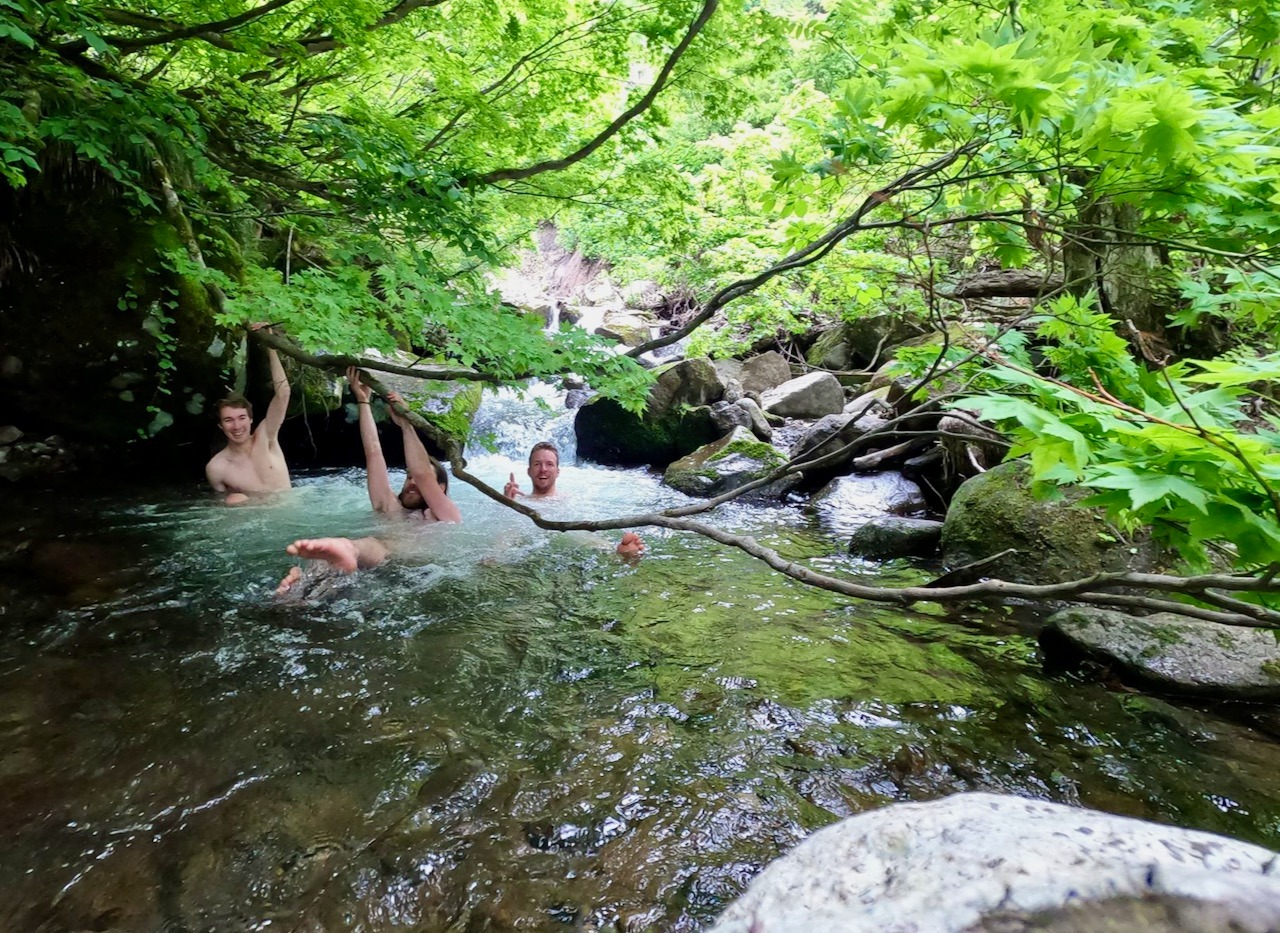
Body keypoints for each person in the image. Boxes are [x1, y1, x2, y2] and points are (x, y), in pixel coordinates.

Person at [276, 368, 461, 594]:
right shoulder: (389, 506)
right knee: (323, 566)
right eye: (408, 477)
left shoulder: (445, 516)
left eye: (420, 481)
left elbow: (421, 472)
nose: (413, 481)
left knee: (365, 546)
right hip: (365, 568)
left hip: (399, 569)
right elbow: (373, 452)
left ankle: (341, 552)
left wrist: (406, 424)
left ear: (440, 488)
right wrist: (363, 401)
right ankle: (293, 590)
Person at [503, 441, 645, 560]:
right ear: (529, 471)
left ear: (558, 471)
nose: (543, 469)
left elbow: (588, 528)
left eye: (549, 464)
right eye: (537, 464)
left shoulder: (570, 501)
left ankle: (617, 552)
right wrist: (506, 503)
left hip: (565, 548)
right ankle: (496, 556)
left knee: (581, 531)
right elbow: (507, 530)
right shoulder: (518, 503)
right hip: (531, 549)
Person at [206, 323, 292, 505]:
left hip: (292, 514)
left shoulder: (266, 437)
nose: (237, 426)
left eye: (242, 418)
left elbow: (283, 393)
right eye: (229, 420)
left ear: (251, 419)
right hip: (255, 520)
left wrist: (270, 345)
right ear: (220, 425)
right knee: (234, 499)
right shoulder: (217, 468)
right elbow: (218, 510)